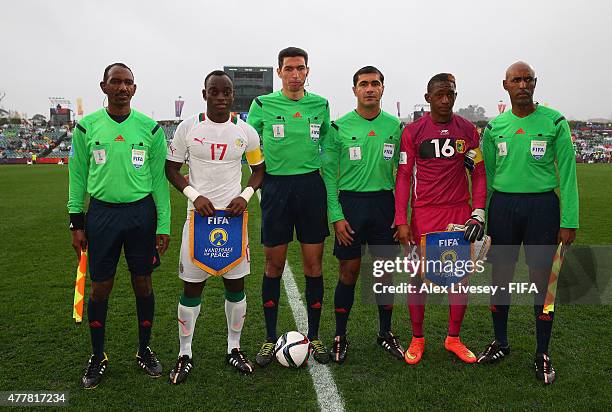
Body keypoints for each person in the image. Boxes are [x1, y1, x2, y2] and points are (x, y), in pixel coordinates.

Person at [68, 63, 171, 389]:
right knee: (100, 287)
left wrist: (163, 224)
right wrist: (76, 221)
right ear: (104, 86)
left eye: (128, 83)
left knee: (143, 283)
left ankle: (144, 349)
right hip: (102, 215)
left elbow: (158, 182)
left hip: (141, 215)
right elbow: (77, 177)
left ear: (134, 89)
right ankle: (97, 356)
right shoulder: (86, 128)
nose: (122, 87)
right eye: (116, 82)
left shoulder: (150, 129)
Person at [477, 62, 579, 385]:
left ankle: (542, 352)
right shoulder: (494, 128)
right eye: (515, 80)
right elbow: (488, 177)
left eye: (527, 79)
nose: (522, 84)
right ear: (505, 85)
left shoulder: (555, 122)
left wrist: (569, 220)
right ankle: (501, 342)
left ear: (535, 83)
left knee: (543, 283)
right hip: (503, 207)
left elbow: (568, 174)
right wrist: (482, 214)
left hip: (542, 208)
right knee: (501, 277)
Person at [165, 70, 265, 382]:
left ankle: (233, 348)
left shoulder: (246, 132)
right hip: (198, 222)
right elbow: (171, 169)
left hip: (234, 222)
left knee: (235, 286)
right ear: (204, 93)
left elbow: (259, 170)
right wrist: (194, 196)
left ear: (233, 95)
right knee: (191, 288)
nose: (221, 97)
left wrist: (245, 196)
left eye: (226, 92)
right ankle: (185, 353)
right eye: (214, 91)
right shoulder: (188, 127)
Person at [247, 47, 331, 366]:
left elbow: (326, 143)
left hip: (311, 188)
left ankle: (316, 336)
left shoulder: (320, 105)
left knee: (314, 265)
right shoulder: (262, 104)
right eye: (289, 68)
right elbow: (249, 142)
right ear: (279, 72)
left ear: (307, 71)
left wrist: (316, 164)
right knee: (273, 266)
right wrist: (263, 169)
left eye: (300, 68)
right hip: (276, 188)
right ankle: (270, 339)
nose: (295, 74)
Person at [394, 73, 486, 365]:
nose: (446, 100)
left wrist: (478, 211)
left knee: (459, 280)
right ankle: (417, 339)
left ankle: (453, 339)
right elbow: (404, 176)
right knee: (417, 279)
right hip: (423, 214)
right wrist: (401, 219)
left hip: (458, 213)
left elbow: (479, 173)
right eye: (439, 95)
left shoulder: (468, 130)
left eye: (450, 94)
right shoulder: (413, 132)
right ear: (428, 98)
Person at [321, 66, 404, 363]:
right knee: (349, 273)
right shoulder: (339, 127)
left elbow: (405, 175)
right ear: (354, 89)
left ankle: (385, 333)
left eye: (375, 84)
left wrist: (401, 215)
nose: (370, 89)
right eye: (364, 84)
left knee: (385, 273)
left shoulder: (396, 127)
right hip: (351, 207)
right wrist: (336, 215)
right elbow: (329, 175)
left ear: (383, 88)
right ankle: (340, 335)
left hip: (385, 206)